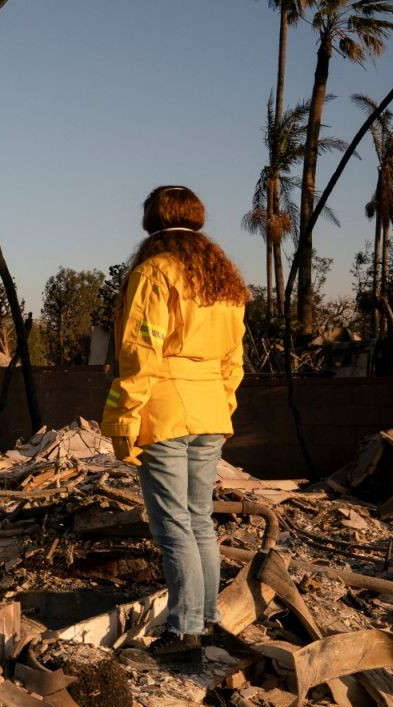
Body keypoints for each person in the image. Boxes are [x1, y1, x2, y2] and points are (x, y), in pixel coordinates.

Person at [101, 186, 248, 662]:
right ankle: (206, 622)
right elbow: (233, 359)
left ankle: (184, 631)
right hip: (209, 411)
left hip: (164, 409)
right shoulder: (224, 280)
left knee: (173, 528)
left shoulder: (152, 272)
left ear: (151, 222)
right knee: (199, 520)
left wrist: (124, 415)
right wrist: (223, 405)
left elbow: (141, 352)